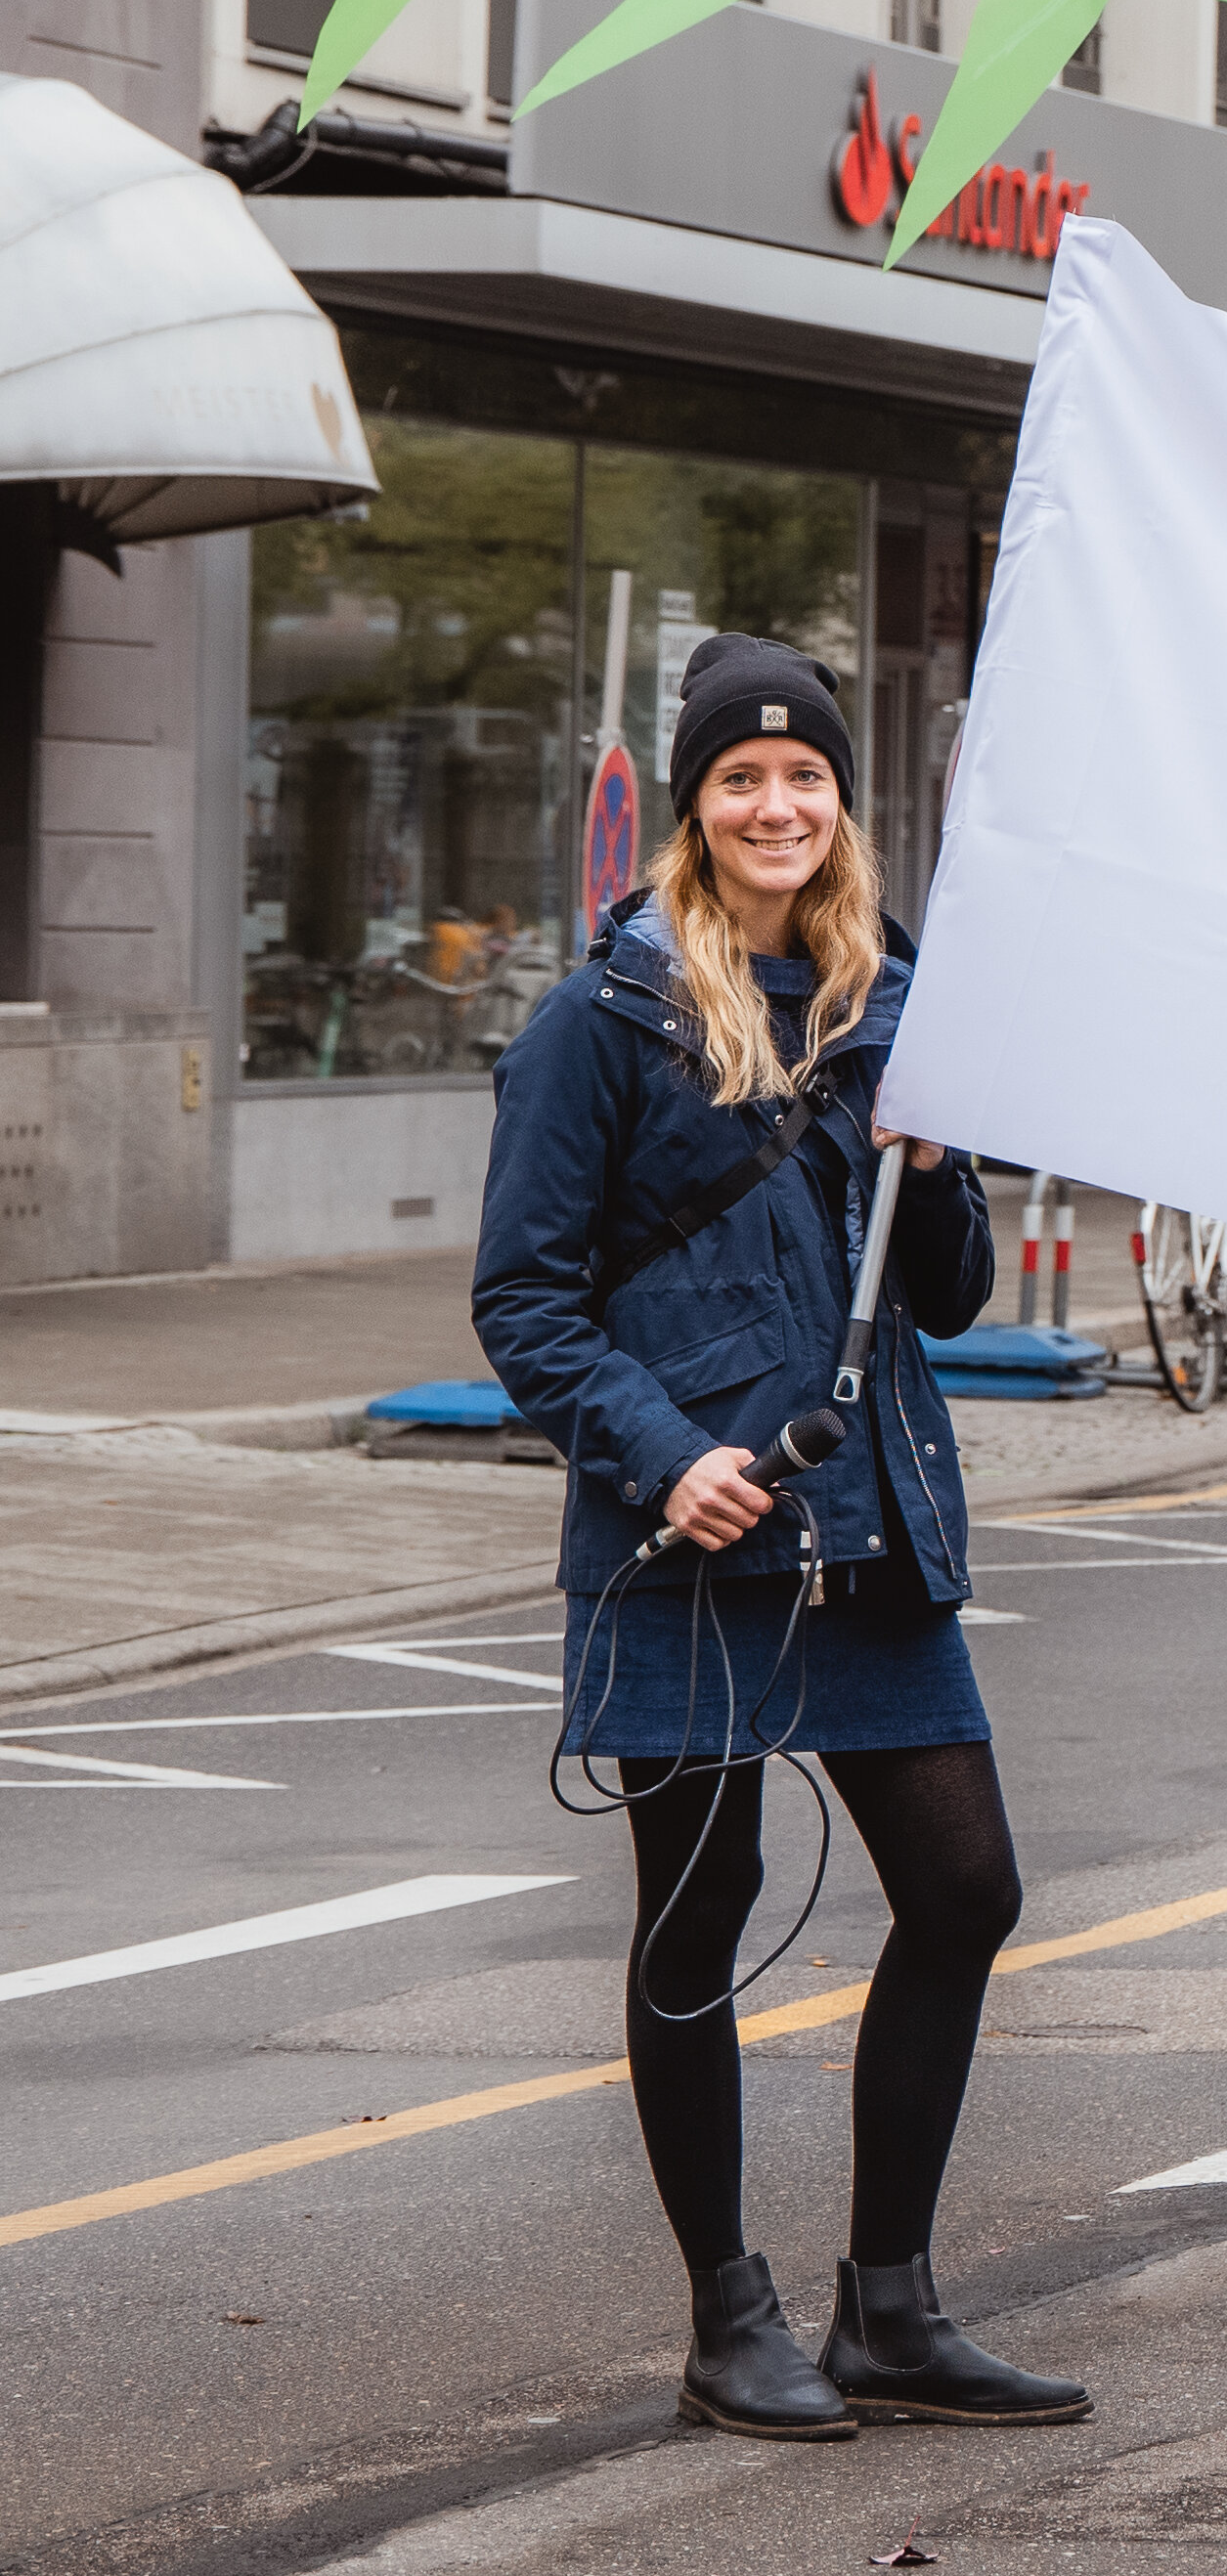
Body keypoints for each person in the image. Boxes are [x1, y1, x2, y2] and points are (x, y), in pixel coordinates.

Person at [471, 636, 1077, 2444]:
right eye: (740, 780)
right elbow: (526, 1299)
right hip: (694, 1542)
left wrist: (947, 1156)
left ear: (840, 802)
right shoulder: (601, 1027)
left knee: (966, 1888)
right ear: (692, 810)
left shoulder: (898, 1008)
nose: (774, 805)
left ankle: (888, 2306)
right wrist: (663, 1459)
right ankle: (725, 2315)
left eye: (802, 777)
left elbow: (950, 1300)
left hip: (871, 1519)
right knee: (697, 1916)